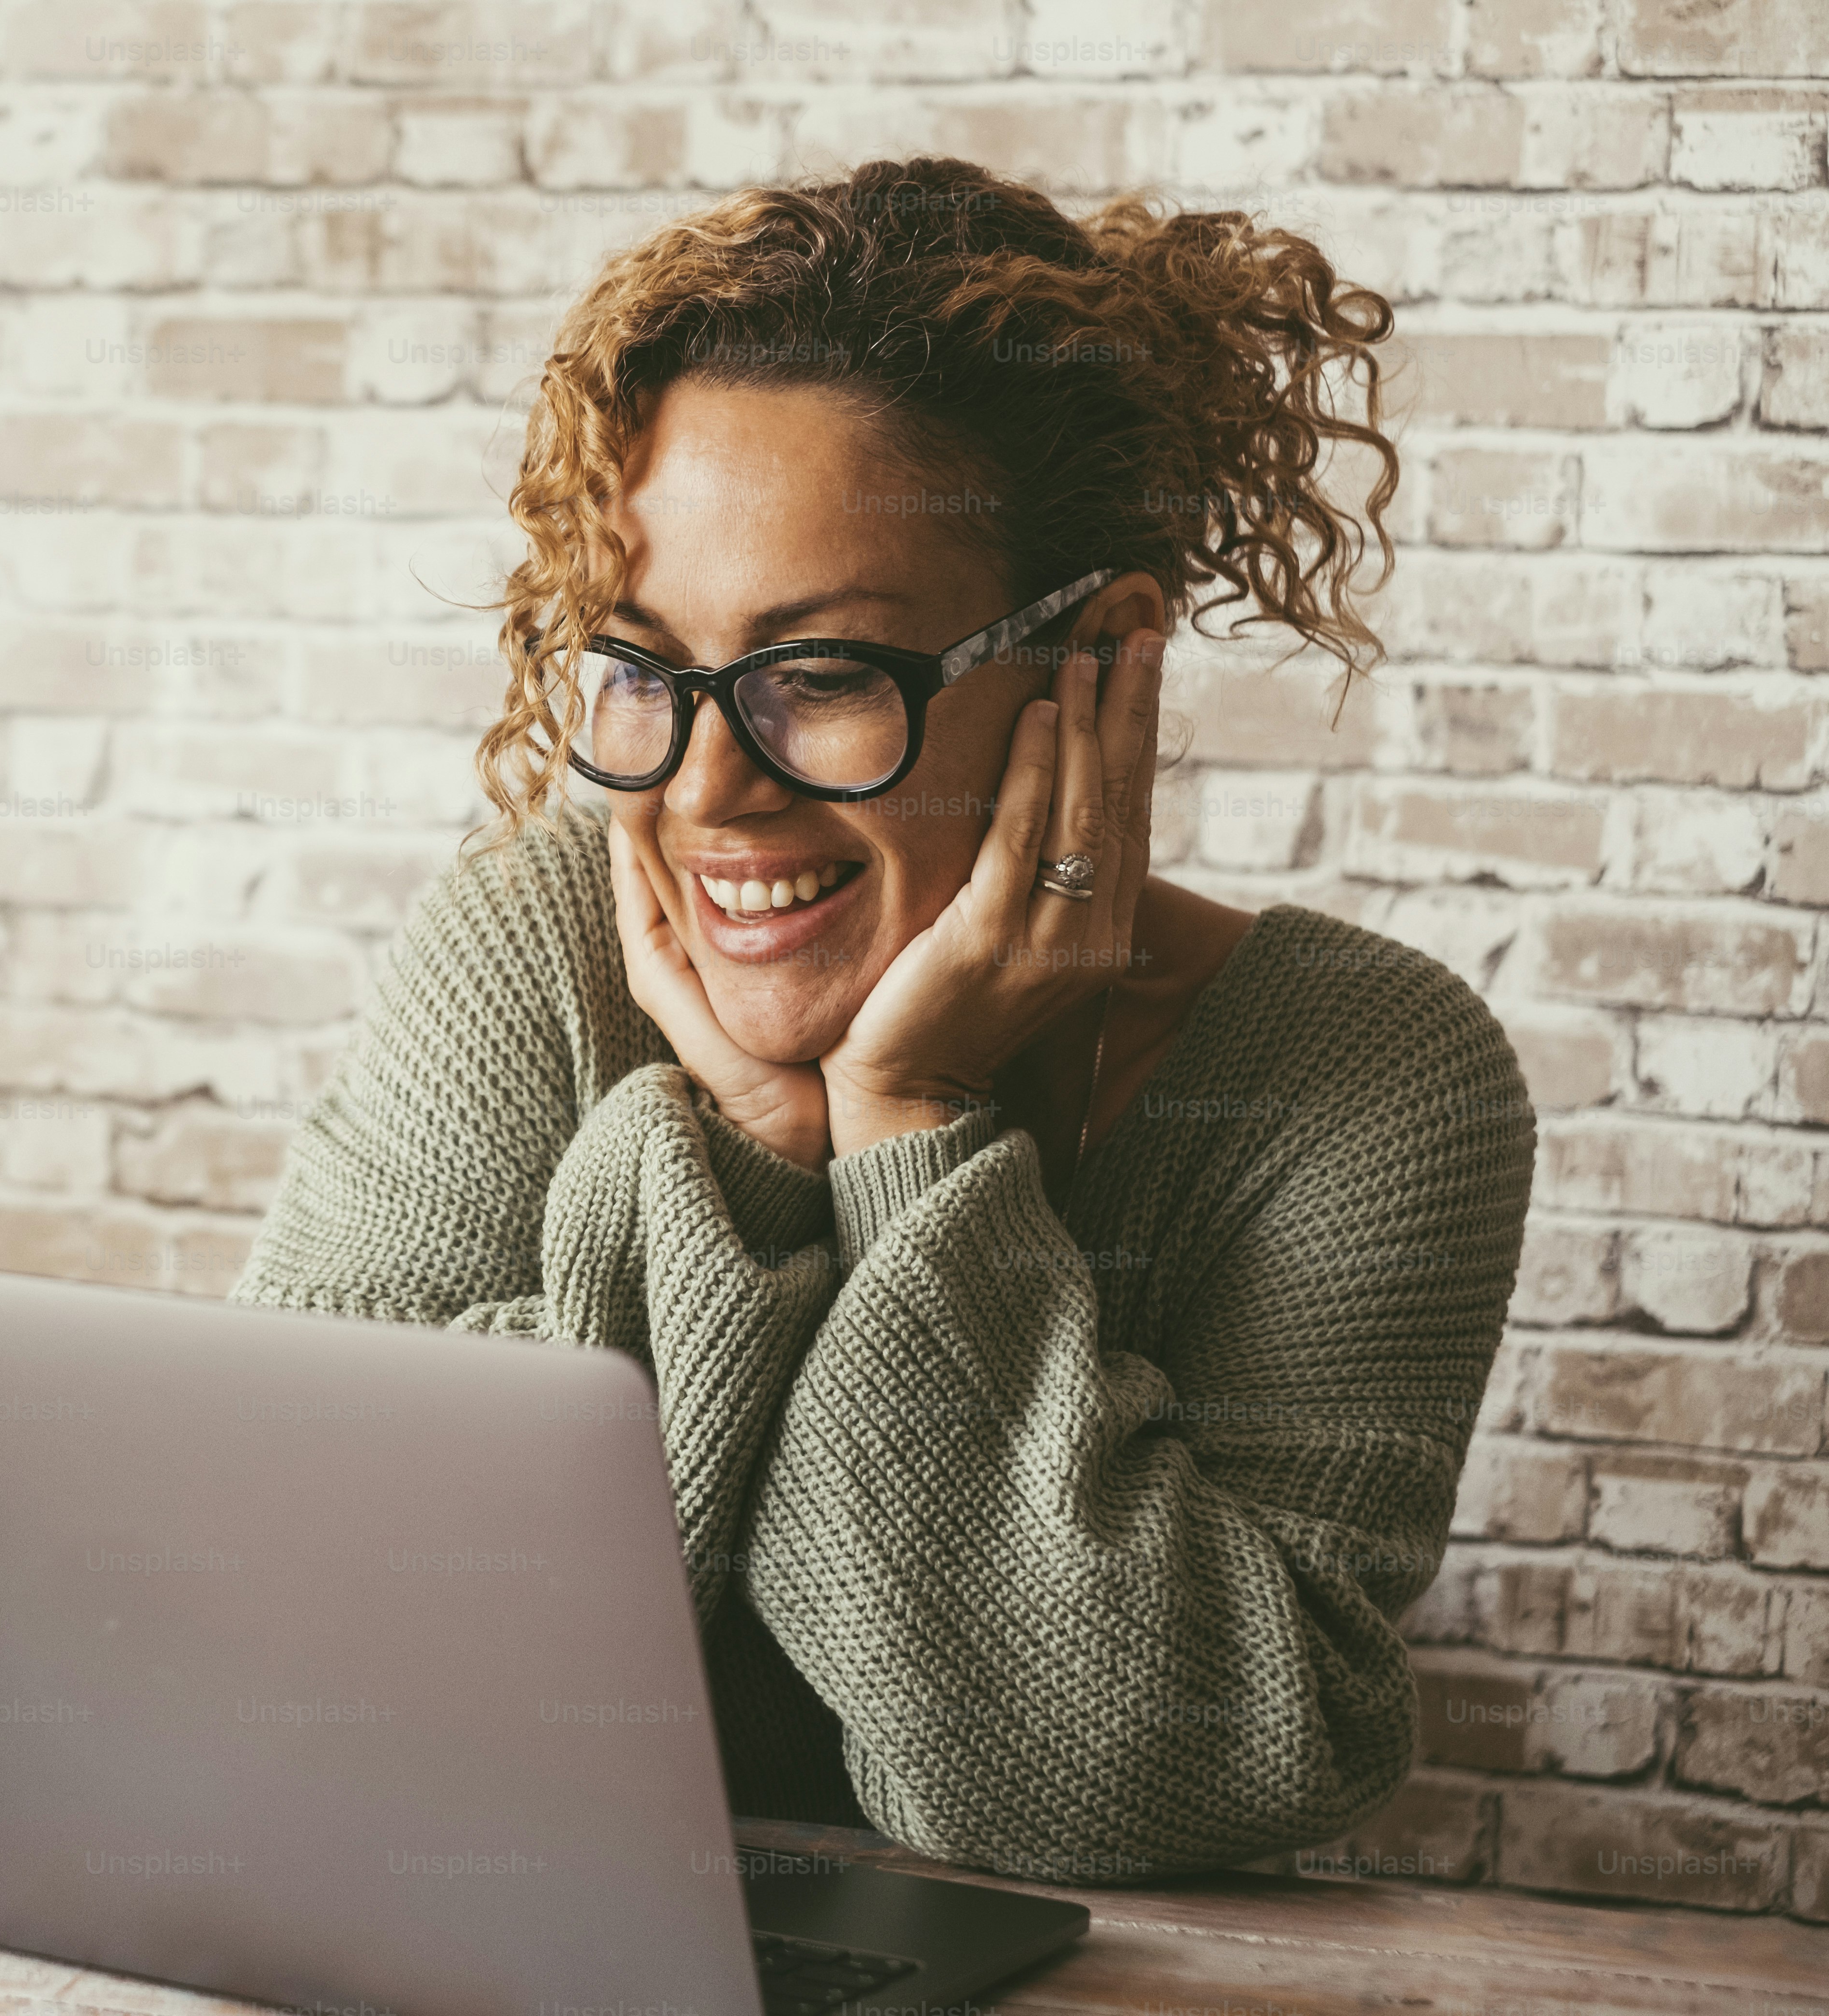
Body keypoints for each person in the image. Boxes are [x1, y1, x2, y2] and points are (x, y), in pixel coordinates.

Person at [229, 158, 1538, 1883]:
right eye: (639, 668)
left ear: (1101, 662)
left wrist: (905, 1124)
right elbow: (283, 1626)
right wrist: (746, 1154)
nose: (706, 790)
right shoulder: (536, 946)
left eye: (822, 677)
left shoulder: (1359, 1082)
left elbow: (1167, 1770)